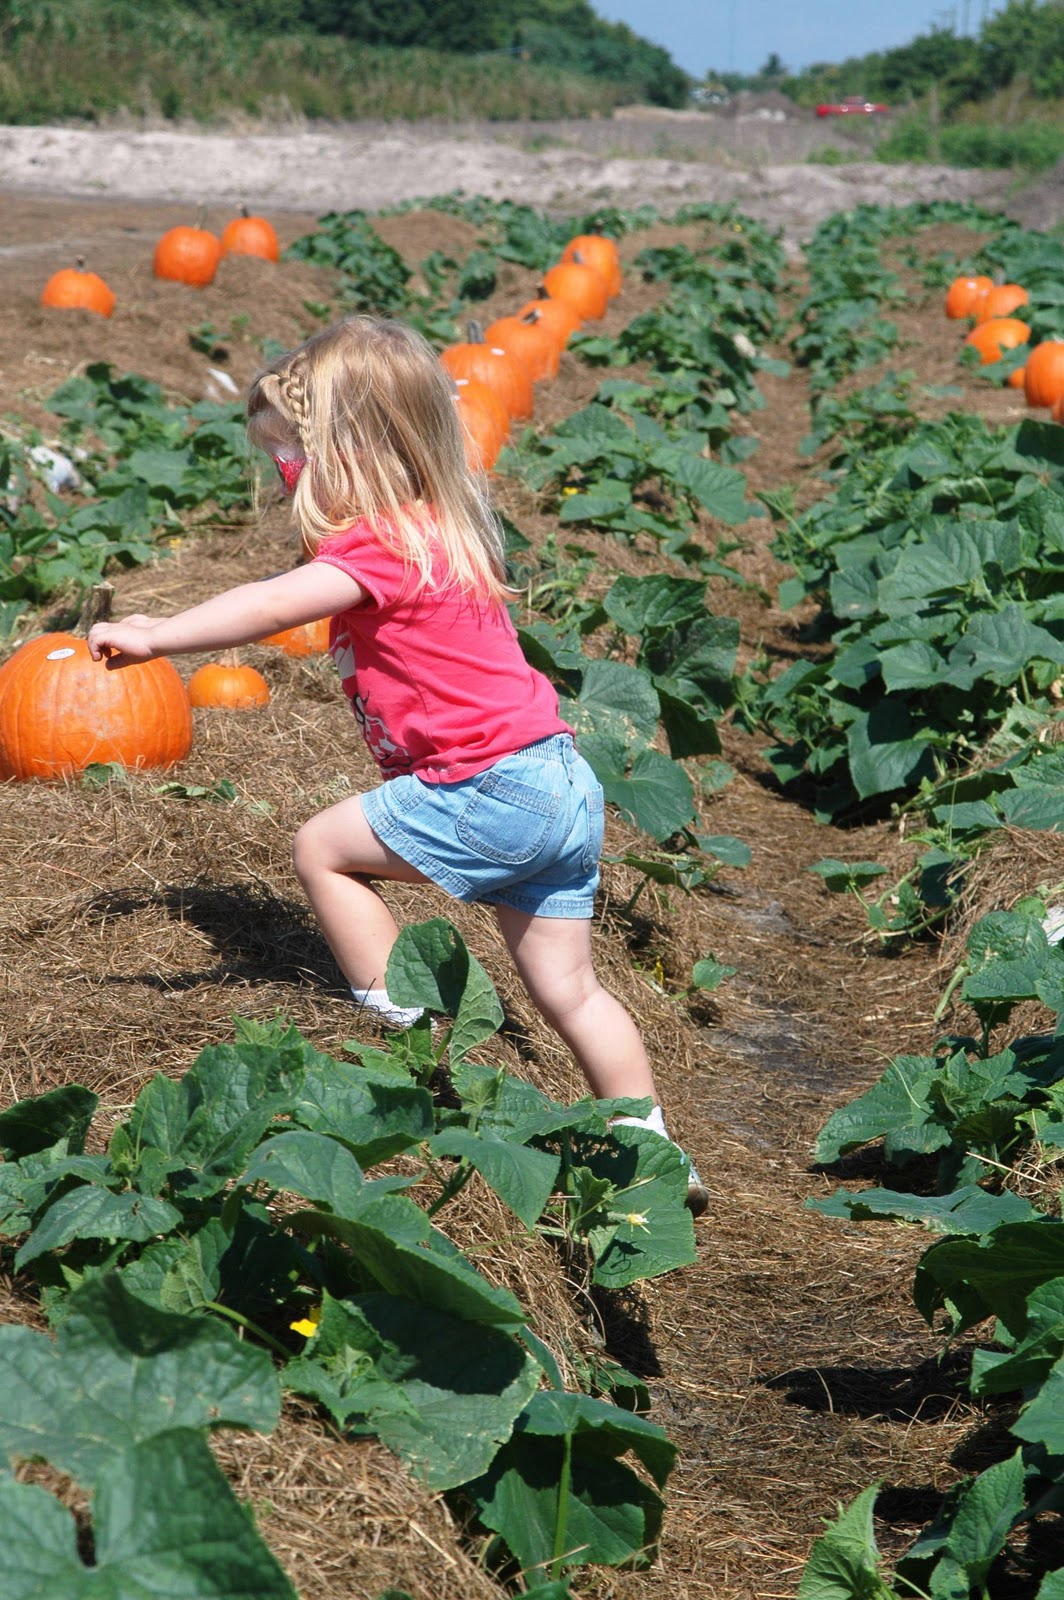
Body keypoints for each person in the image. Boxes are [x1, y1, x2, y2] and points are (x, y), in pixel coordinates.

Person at [87, 314, 708, 1217]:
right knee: (571, 991)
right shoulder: (443, 531)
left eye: (289, 457)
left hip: (493, 784)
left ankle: (398, 1046)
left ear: (350, 449)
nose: (281, 478)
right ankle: (652, 1148)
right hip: (562, 782)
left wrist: (157, 635)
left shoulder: (379, 544)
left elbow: (272, 604)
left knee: (321, 849)